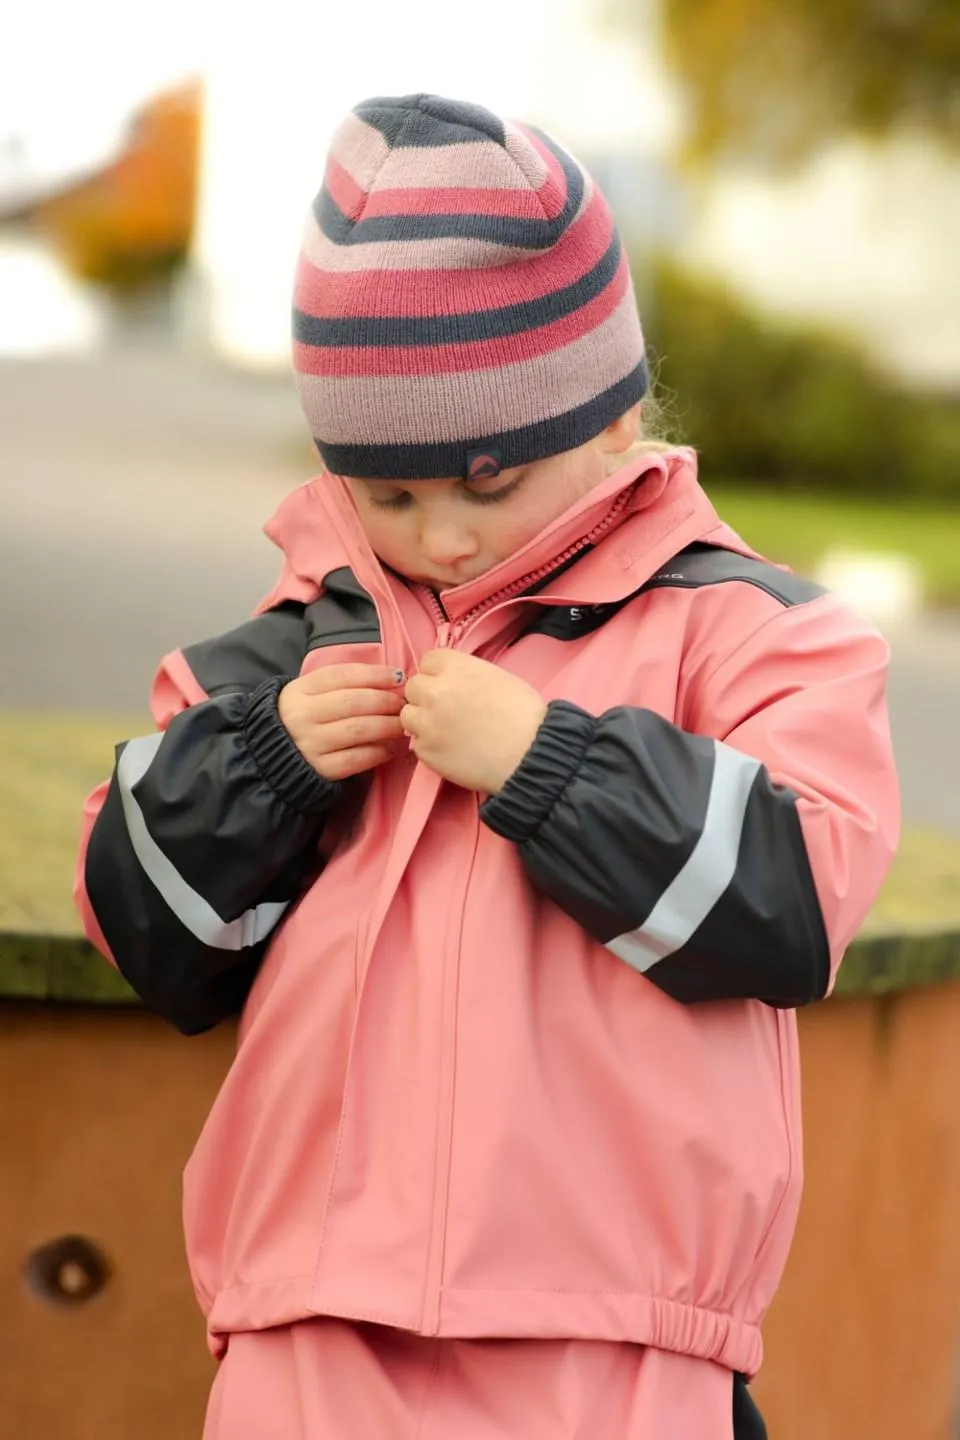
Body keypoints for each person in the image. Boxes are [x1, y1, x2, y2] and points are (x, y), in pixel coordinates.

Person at [74, 93, 899, 1439]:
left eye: (487, 483)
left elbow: (795, 905)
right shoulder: (286, 655)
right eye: (388, 497)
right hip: (311, 1319)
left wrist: (549, 764)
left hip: (619, 1332)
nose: (442, 538)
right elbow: (143, 930)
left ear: (616, 419)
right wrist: (265, 772)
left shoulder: (747, 632)